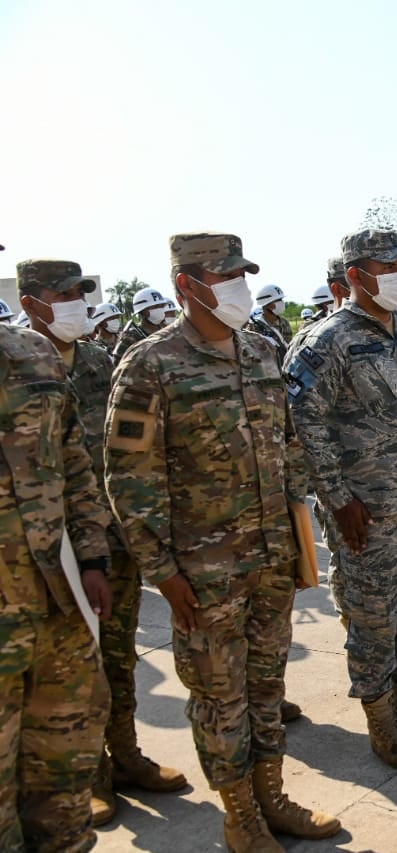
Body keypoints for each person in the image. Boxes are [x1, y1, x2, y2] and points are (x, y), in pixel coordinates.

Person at [106, 233, 339, 850]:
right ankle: (239, 816)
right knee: (218, 697)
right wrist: (163, 570)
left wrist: (299, 536)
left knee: (266, 687)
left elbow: (288, 445)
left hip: (271, 560)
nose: (237, 286)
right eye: (224, 275)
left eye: (242, 275)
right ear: (188, 285)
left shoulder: (261, 350)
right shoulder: (150, 364)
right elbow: (129, 477)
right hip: (203, 572)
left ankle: (273, 796)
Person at [286, 228, 397, 771]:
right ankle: (381, 721)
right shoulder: (327, 339)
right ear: (356, 275)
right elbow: (303, 423)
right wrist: (339, 499)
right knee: (372, 621)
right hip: (367, 512)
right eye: (386, 268)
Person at [19, 260, 188, 827]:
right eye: (60, 294)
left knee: (117, 656)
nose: (74, 302)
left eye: (78, 292)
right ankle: (85, 774)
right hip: (42, 549)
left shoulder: (97, 361)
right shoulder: (15, 361)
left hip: (106, 534)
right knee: (69, 668)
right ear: (31, 301)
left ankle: (125, 757)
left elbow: (124, 447)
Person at [3, 261, 113, 852]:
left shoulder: (34, 357)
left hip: (56, 599)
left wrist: (93, 560)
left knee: (64, 773)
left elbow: (75, 469)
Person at [113, 286, 171, 360]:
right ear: (143, 311)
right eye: (156, 306)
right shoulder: (131, 337)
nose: (160, 309)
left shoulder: (167, 332)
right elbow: (118, 362)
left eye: (162, 306)